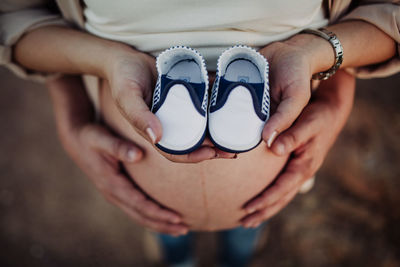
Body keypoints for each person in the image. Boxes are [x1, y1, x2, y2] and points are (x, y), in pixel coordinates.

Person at [1, 0, 399, 265]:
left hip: (265, 174)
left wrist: (331, 85)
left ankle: (236, 248)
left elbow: (386, 12)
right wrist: (77, 106)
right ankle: (179, 251)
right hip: (142, 170)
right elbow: (17, 16)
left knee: (250, 220)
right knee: (165, 224)